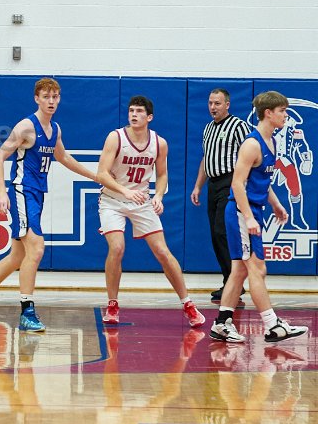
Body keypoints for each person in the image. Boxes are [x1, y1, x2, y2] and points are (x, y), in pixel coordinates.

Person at [0, 77, 98, 333]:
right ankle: (27, 312)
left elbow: (63, 157)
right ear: (37, 99)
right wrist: (1, 192)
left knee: (18, 256)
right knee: (36, 248)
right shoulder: (26, 126)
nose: (51, 101)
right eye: (46, 97)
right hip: (22, 191)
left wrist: (94, 176)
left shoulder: (55, 129)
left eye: (55, 97)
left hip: (37, 195)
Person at [96, 96, 206, 327]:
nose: (133, 115)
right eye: (131, 111)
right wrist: (125, 191)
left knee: (162, 252)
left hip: (141, 201)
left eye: (138, 111)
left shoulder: (159, 143)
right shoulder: (115, 137)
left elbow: (162, 175)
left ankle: (188, 304)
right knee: (117, 247)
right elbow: (102, 174)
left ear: (149, 117)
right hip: (112, 200)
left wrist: (158, 196)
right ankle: (113, 304)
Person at [210, 91, 309, 344]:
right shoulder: (252, 144)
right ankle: (272, 325)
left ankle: (221, 324)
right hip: (241, 212)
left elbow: (263, 180)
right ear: (268, 113)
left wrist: (276, 204)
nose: (285, 116)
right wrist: (249, 218)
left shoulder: (271, 141)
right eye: (282, 111)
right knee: (257, 268)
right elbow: (237, 184)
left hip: (253, 210)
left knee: (239, 271)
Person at [190, 88, 251, 302]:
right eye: (210, 103)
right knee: (216, 235)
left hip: (230, 182)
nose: (212, 107)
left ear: (227, 105)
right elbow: (206, 159)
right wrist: (198, 186)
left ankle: (235, 282)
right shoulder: (208, 128)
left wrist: (242, 184)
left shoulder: (238, 126)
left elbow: (249, 155)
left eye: (217, 103)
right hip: (213, 184)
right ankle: (230, 281)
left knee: (222, 231)